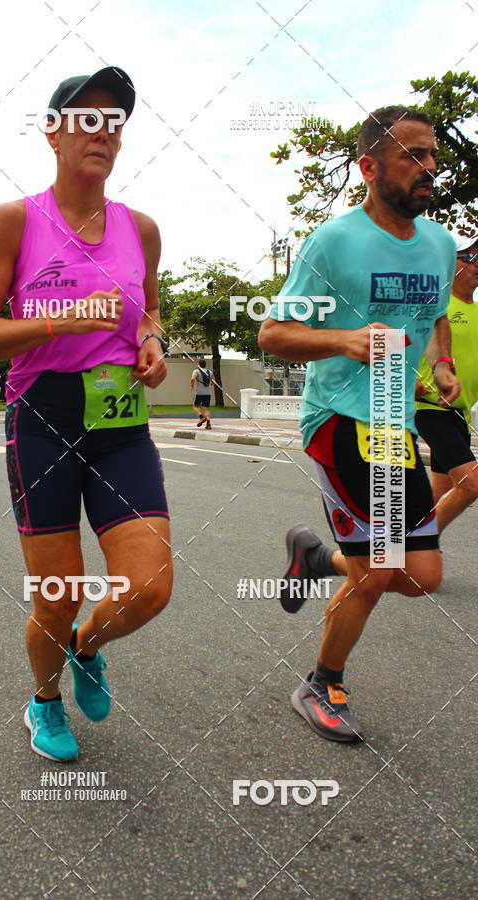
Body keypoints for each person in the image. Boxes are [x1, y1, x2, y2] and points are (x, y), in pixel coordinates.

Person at [0, 66, 173, 761]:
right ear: (52, 131)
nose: (102, 132)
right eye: (86, 118)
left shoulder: (141, 229)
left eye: (114, 122)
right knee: (59, 592)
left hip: (119, 421)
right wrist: (59, 322)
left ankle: (87, 646)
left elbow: (154, 313)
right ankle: (43, 700)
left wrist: (151, 341)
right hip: (42, 416)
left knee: (149, 588)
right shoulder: (15, 221)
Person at [259, 105, 459, 743]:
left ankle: (315, 558)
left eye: (432, 155)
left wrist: (441, 363)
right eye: (413, 156)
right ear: (370, 168)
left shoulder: (441, 244)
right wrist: (346, 341)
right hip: (338, 418)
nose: (430, 168)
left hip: (395, 422)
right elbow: (273, 333)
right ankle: (321, 684)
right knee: (376, 570)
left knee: (419, 576)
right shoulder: (333, 242)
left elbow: (430, 321)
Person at [414, 233, 478, 530]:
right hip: (430, 408)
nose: (477, 265)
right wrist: (405, 378)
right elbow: (395, 340)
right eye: (471, 257)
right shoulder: (434, 306)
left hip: (460, 415)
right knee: (471, 484)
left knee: (438, 500)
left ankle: (415, 553)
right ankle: (411, 547)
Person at [190, 358, 214, 428]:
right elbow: (213, 382)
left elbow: (192, 379)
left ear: (199, 365)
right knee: (206, 408)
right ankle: (208, 424)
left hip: (199, 393)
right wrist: (209, 385)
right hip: (208, 393)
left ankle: (201, 417)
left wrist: (191, 385)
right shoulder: (210, 372)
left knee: (195, 406)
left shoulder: (196, 371)